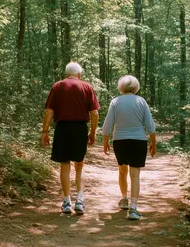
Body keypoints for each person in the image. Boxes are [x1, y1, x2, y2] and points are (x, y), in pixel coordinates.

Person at [41, 62, 100, 215]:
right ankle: (80, 199)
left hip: (62, 129)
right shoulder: (87, 87)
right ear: (79, 75)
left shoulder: (57, 86)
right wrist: (93, 132)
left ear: (66, 74)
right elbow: (94, 113)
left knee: (64, 164)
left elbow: (48, 111)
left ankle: (66, 201)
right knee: (79, 164)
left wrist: (45, 132)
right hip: (80, 128)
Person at [102, 75, 156, 220]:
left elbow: (108, 124)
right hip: (138, 140)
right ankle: (133, 208)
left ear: (121, 87)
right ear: (136, 87)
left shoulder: (115, 101)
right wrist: (153, 143)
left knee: (122, 170)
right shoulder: (141, 101)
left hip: (120, 140)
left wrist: (105, 141)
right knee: (135, 174)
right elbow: (150, 126)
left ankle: (124, 198)